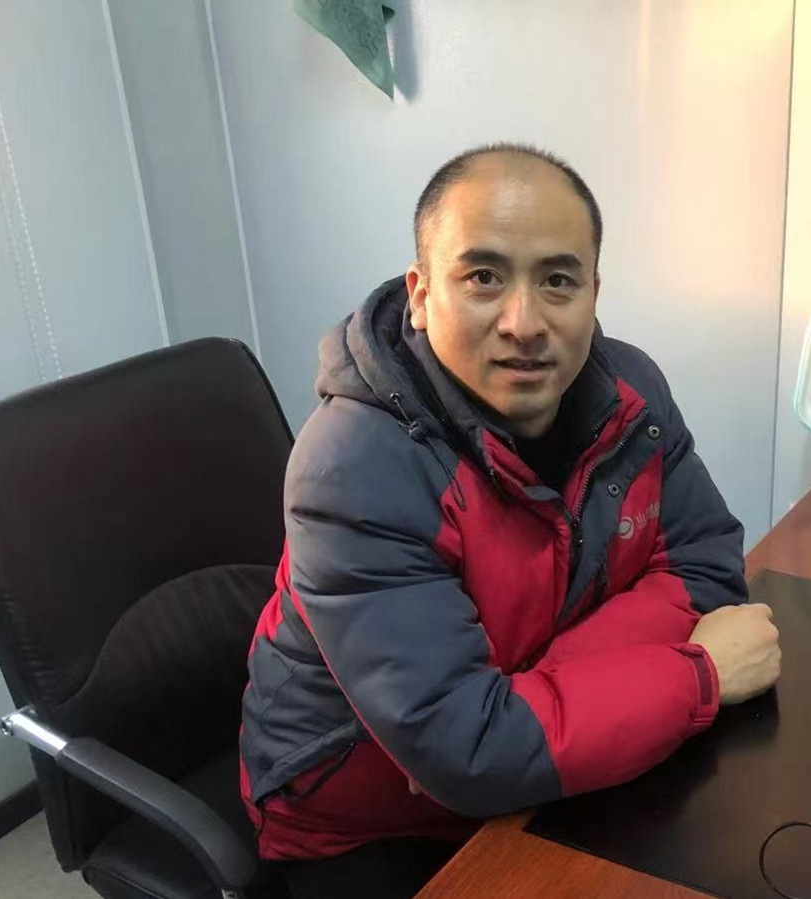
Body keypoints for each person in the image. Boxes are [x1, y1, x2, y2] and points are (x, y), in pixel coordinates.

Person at [239, 144, 782, 897]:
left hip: (536, 764)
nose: (524, 323)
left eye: (558, 280)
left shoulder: (632, 394)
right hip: (364, 816)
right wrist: (699, 673)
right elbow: (467, 754)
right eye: (483, 277)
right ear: (421, 294)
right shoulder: (353, 466)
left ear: (593, 293)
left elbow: (705, 567)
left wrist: (521, 697)